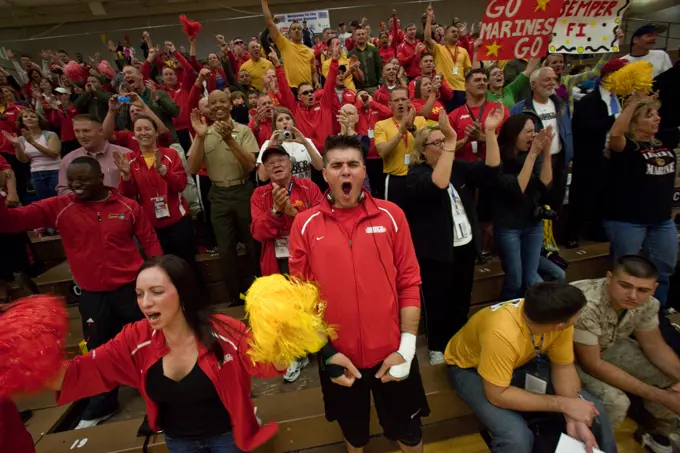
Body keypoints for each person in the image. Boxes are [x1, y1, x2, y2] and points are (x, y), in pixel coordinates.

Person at [48, 255, 285, 453]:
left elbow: (269, 363)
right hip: (178, 441)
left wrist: (286, 333)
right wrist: (32, 363)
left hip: (229, 435)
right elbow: (78, 373)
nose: (146, 302)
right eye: (140, 294)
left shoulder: (225, 331)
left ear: (183, 293)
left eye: (156, 292)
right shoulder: (135, 339)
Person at [289, 134, 429, 453]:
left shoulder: (392, 215)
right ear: (324, 174)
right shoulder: (304, 224)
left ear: (365, 171)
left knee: (410, 434)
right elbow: (302, 299)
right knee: (355, 437)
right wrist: (326, 354)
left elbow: (409, 282)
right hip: (339, 357)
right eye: (336, 165)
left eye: (353, 164)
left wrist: (407, 348)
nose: (346, 172)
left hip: (393, 353)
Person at [0, 156, 163, 428]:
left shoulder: (128, 206)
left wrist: (161, 277)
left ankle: (157, 400)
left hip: (131, 291)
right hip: (92, 294)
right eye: (72, 180)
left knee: (147, 345)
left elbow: (149, 240)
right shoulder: (59, 207)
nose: (76, 185)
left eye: (83, 179)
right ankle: (104, 402)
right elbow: (11, 222)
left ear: (101, 178)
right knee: (98, 351)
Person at [445, 282, 617, 453]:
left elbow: (563, 367)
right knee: (516, 437)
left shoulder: (552, 317)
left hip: (521, 363)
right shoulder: (501, 333)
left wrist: (574, 416)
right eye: (577, 314)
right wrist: (564, 405)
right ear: (560, 324)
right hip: (470, 370)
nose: (578, 316)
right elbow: (497, 395)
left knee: (595, 412)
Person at [405, 106, 503, 365]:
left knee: (461, 299)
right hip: (436, 252)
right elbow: (438, 184)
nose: (442, 145)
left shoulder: (458, 168)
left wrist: (490, 132)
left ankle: (460, 341)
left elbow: (492, 169)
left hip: (465, 246)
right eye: (435, 142)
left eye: (444, 140)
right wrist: (451, 142)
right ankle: (438, 346)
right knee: (438, 302)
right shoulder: (415, 175)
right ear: (422, 150)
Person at [572, 256, 680, 450]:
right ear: (609, 278)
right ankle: (593, 446)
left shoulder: (649, 303)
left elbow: (655, 346)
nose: (633, 295)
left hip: (607, 345)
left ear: (654, 288)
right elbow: (592, 364)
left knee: (668, 378)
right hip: (567, 358)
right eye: (625, 286)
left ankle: (658, 435)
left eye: (642, 290)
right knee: (616, 402)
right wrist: (663, 397)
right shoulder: (586, 305)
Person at [250, 144, 323, 383]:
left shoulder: (308, 187)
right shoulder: (259, 195)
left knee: (311, 301)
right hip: (276, 258)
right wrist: (275, 211)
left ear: (291, 164)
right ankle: (293, 354)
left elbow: (319, 224)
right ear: (264, 170)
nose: (276, 165)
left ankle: (319, 346)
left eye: (281, 160)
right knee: (282, 307)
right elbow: (259, 233)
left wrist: (292, 212)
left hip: (306, 257)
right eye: (270, 163)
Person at [602, 93, 679, 308]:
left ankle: (656, 313)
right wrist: (634, 103)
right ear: (634, 122)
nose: (657, 118)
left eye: (657, 114)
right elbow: (616, 132)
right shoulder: (626, 147)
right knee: (625, 272)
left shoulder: (664, 141)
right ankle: (619, 312)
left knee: (664, 269)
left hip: (662, 220)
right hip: (627, 220)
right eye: (649, 115)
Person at [187, 93, 260, 306]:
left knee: (252, 243)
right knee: (225, 247)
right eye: (213, 103)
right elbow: (192, 168)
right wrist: (199, 137)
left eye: (222, 102)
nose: (218, 106)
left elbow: (249, 165)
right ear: (208, 108)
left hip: (243, 190)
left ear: (230, 105)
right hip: (218, 195)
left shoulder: (244, 130)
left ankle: (259, 291)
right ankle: (234, 296)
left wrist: (229, 139)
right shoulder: (203, 133)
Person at [114, 115, 197, 274]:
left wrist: (165, 172)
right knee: (161, 269)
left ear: (156, 132)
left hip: (178, 220)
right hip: (151, 225)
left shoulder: (170, 154)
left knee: (187, 266)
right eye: (138, 129)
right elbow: (126, 194)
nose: (143, 133)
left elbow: (181, 185)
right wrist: (125, 176)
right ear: (133, 134)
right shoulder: (130, 159)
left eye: (147, 128)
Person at [567, 59, 628, 248]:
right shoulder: (588, 101)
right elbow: (584, 128)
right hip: (590, 157)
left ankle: (598, 231)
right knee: (582, 197)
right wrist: (613, 119)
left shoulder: (622, 99)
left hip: (615, 156)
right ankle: (572, 233)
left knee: (607, 196)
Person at [493, 115, 555, 299]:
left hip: (532, 224)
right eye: (528, 132)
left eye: (534, 131)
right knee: (515, 281)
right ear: (514, 134)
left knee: (534, 278)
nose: (533, 136)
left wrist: (546, 152)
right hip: (509, 228)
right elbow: (517, 188)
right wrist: (533, 154)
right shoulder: (499, 158)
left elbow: (545, 183)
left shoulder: (529, 156)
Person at [511, 67, 573, 213]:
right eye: (547, 79)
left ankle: (553, 235)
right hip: (534, 163)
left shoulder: (562, 105)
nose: (552, 82)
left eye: (554, 79)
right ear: (533, 84)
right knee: (537, 203)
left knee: (557, 204)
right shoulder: (520, 109)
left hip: (559, 161)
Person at [270, 45, 340, 153]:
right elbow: (284, 89)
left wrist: (334, 61)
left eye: (311, 92)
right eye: (305, 93)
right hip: (305, 155)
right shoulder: (294, 109)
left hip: (328, 153)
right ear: (299, 97)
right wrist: (278, 66)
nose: (310, 94)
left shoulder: (324, 105)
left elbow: (330, 83)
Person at [374, 87, 427, 206]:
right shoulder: (381, 125)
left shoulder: (420, 121)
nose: (400, 103)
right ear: (389, 104)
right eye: (396, 100)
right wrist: (400, 133)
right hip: (395, 180)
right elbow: (382, 152)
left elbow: (427, 145)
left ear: (409, 102)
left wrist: (412, 128)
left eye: (403, 99)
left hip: (418, 176)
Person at [56, 114, 132, 195]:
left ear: (100, 131)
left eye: (86, 131)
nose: (81, 136)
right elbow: (63, 189)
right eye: (77, 131)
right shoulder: (68, 160)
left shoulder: (126, 155)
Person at [449, 69, 510, 163]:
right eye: (477, 80)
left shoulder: (499, 110)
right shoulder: (454, 115)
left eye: (485, 80)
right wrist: (465, 140)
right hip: (463, 170)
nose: (482, 83)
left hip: (493, 168)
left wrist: (481, 137)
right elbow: (445, 149)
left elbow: (508, 142)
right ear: (466, 86)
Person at [2, 109, 61, 200]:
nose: (29, 118)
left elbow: (54, 154)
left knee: (58, 200)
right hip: (36, 173)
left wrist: (32, 142)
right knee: (44, 202)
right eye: (26, 117)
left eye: (33, 116)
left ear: (39, 120)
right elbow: (24, 160)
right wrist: (17, 145)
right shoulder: (22, 139)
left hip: (55, 171)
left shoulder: (50, 135)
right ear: (22, 121)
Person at [261, 0, 318, 93]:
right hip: (292, 90)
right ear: (289, 33)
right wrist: (264, 2)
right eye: (293, 29)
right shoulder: (284, 44)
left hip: (308, 90)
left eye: (299, 28)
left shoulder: (310, 51)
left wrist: (316, 81)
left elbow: (313, 71)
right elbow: (269, 23)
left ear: (302, 33)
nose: (296, 30)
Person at [255, 107, 323, 182]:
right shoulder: (268, 144)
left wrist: (305, 143)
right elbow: (262, 177)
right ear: (275, 126)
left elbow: (320, 166)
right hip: (282, 192)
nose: (285, 122)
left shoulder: (306, 141)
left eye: (288, 118)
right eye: (280, 120)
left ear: (293, 122)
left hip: (305, 190)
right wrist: (269, 147)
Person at [423, 4, 471, 110]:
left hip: (461, 89)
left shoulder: (463, 51)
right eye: (453, 31)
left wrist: (469, 90)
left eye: (457, 32)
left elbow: (467, 72)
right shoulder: (439, 49)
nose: (456, 33)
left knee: (460, 117)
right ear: (445, 35)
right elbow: (427, 38)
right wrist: (429, 17)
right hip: (445, 89)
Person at [119, 65, 181, 144]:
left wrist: (157, 98)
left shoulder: (159, 93)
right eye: (124, 74)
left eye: (129, 73)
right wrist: (122, 100)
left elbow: (176, 112)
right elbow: (123, 125)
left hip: (169, 142)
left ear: (141, 76)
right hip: (147, 145)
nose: (126, 76)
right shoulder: (129, 99)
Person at [348, 27, 383, 92]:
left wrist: (380, 82)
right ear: (354, 37)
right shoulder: (350, 54)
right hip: (357, 89)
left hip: (374, 87)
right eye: (358, 34)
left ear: (366, 35)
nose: (361, 36)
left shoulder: (374, 50)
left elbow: (378, 67)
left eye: (363, 34)